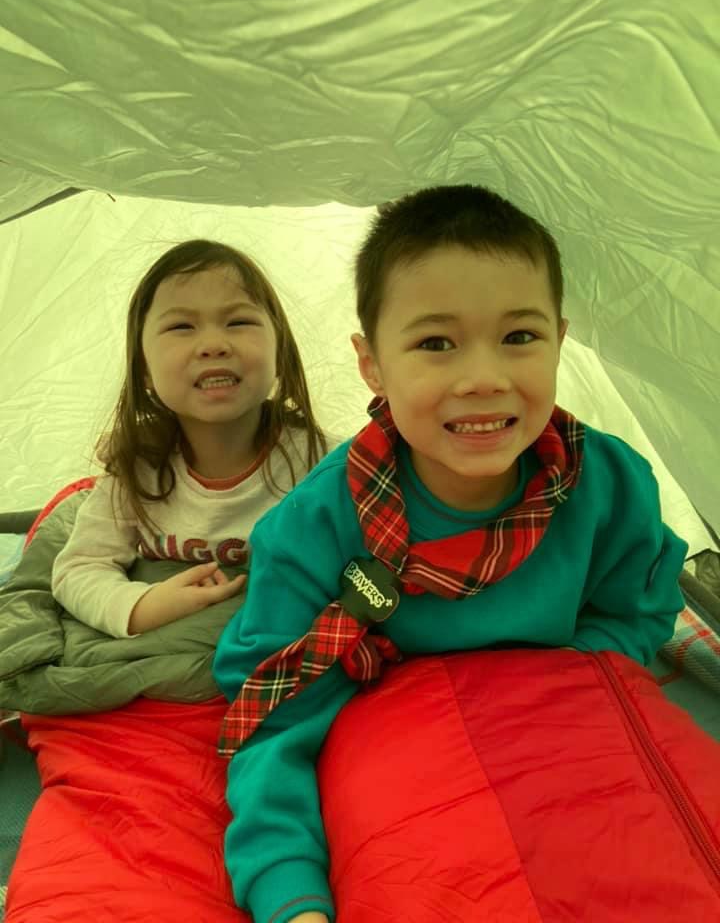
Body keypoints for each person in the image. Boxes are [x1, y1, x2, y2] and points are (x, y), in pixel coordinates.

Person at [211, 186, 689, 923]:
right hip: (402, 756)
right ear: (372, 364)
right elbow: (278, 714)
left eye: (519, 336)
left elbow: (636, 611)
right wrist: (292, 895)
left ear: (560, 339)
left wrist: (557, 687)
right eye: (436, 344)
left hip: (564, 741)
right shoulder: (314, 527)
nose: (484, 379)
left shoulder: (610, 485)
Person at [52, 239, 334, 638]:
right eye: (181, 327)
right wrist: (144, 606)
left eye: (238, 322)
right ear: (144, 370)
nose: (214, 345)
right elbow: (78, 568)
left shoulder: (326, 464)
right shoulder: (137, 465)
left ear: (280, 354)